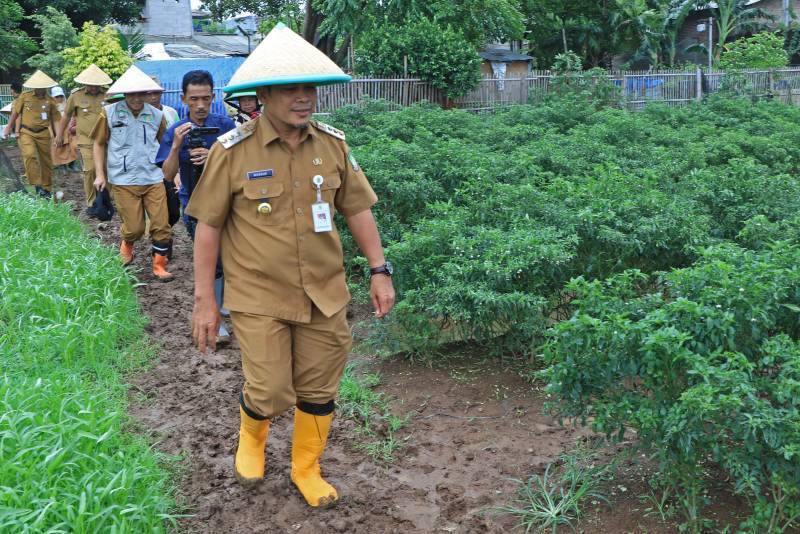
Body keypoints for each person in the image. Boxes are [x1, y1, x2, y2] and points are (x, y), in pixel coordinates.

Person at [186, 23, 396, 508]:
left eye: (309, 88)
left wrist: (379, 270)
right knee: (271, 390)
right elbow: (209, 227)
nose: (304, 99)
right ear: (263, 94)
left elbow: (358, 209)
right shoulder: (232, 152)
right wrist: (204, 301)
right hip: (259, 295)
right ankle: (252, 436)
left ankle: (306, 468)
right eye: (290, 90)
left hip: (324, 292)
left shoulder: (332, 145)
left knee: (320, 387)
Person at [156, 69, 235, 341]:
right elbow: (167, 174)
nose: (200, 105)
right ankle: (217, 319)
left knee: (230, 257)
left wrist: (214, 155)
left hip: (229, 203)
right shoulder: (176, 132)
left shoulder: (225, 126)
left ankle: (225, 303)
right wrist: (177, 146)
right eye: (194, 99)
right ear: (184, 99)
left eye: (205, 98)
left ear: (213, 97)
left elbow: (243, 162)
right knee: (211, 260)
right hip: (194, 206)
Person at [91, 65, 174, 281]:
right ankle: (127, 244)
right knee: (135, 228)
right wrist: (100, 175)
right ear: (124, 94)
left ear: (147, 94)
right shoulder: (108, 113)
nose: (136, 98)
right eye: (131, 94)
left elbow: (165, 146)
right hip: (123, 179)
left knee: (161, 225)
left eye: (140, 93)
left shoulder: (157, 115)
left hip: (153, 177)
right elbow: (98, 144)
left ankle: (159, 266)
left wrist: (173, 175)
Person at [55, 64, 111, 210]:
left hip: (105, 139)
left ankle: (107, 200)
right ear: (85, 83)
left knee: (106, 169)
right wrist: (59, 135)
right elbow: (66, 116)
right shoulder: (76, 96)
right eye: (91, 85)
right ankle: (92, 202)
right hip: (86, 140)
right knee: (90, 170)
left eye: (97, 85)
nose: (94, 88)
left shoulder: (108, 95)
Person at [2, 70, 61, 198]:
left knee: (46, 161)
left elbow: (56, 119)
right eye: (37, 87)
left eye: (41, 87)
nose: (39, 89)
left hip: (44, 133)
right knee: (29, 155)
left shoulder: (51, 101)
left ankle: (46, 189)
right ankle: (37, 185)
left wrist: (58, 135)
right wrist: (8, 128)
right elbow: (15, 113)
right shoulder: (25, 96)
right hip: (26, 132)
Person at [50, 86, 77, 171]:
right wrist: (52, 132)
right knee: (59, 147)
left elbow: (73, 115)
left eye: (60, 96)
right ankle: (62, 165)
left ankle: (72, 164)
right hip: (57, 129)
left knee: (73, 146)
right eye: (56, 97)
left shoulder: (67, 104)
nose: (59, 98)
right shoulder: (50, 107)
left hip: (68, 129)